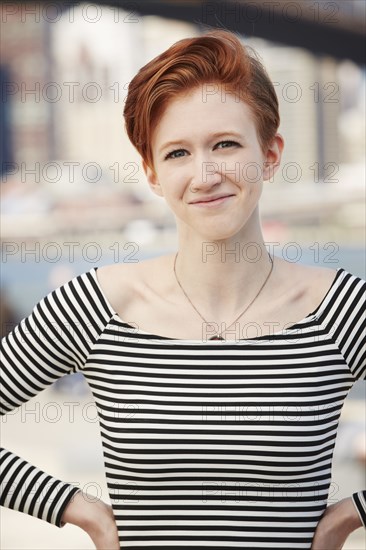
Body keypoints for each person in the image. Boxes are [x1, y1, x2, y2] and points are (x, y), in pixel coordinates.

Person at [1, 29, 365, 550]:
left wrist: (350, 516)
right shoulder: (98, 306)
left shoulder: (341, 310)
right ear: (150, 171)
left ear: (270, 154)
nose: (205, 174)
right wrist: (77, 510)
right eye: (176, 153)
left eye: (226, 144)